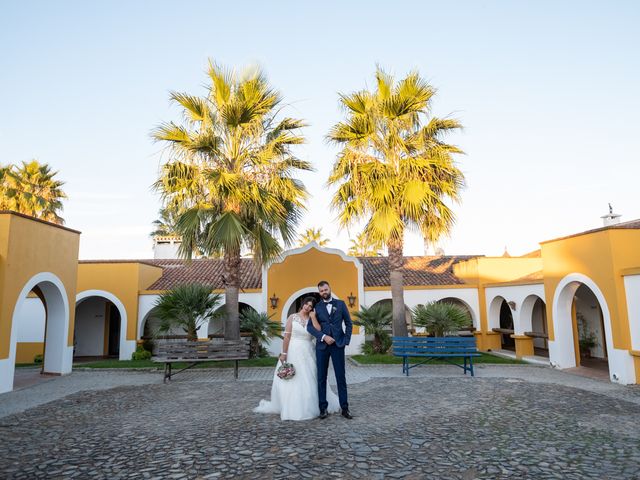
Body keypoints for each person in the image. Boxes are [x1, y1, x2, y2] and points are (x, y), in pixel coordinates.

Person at [254, 297, 340, 421]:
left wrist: (314, 317)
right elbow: (287, 337)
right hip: (293, 350)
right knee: (293, 378)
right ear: (302, 304)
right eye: (306, 304)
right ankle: (292, 406)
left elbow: (319, 331)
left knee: (311, 377)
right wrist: (284, 353)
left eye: (310, 306)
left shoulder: (313, 318)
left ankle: (315, 406)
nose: (307, 307)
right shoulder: (292, 317)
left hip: (309, 351)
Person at [306, 280, 353, 419]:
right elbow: (310, 327)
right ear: (319, 292)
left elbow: (349, 323)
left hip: (338, 345)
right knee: (321, 378)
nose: (324, 292)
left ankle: (345, 408)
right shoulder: (317, 307)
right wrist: (323, 337)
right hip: (322, 347)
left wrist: (346, 340)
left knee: (340, 377)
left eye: (325, 289)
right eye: (321, 291)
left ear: (329, 288)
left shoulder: (341, 304)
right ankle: (323, 409)